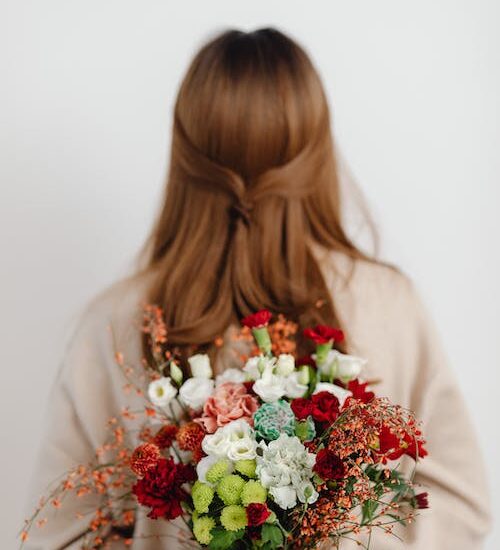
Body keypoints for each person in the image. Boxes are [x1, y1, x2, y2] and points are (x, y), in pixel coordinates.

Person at [23, 27, 490, 549]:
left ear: (185, 153)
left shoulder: (111, 324)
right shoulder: (388, 304)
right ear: (316, 151)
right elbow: (461, 501)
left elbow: (56, 533)